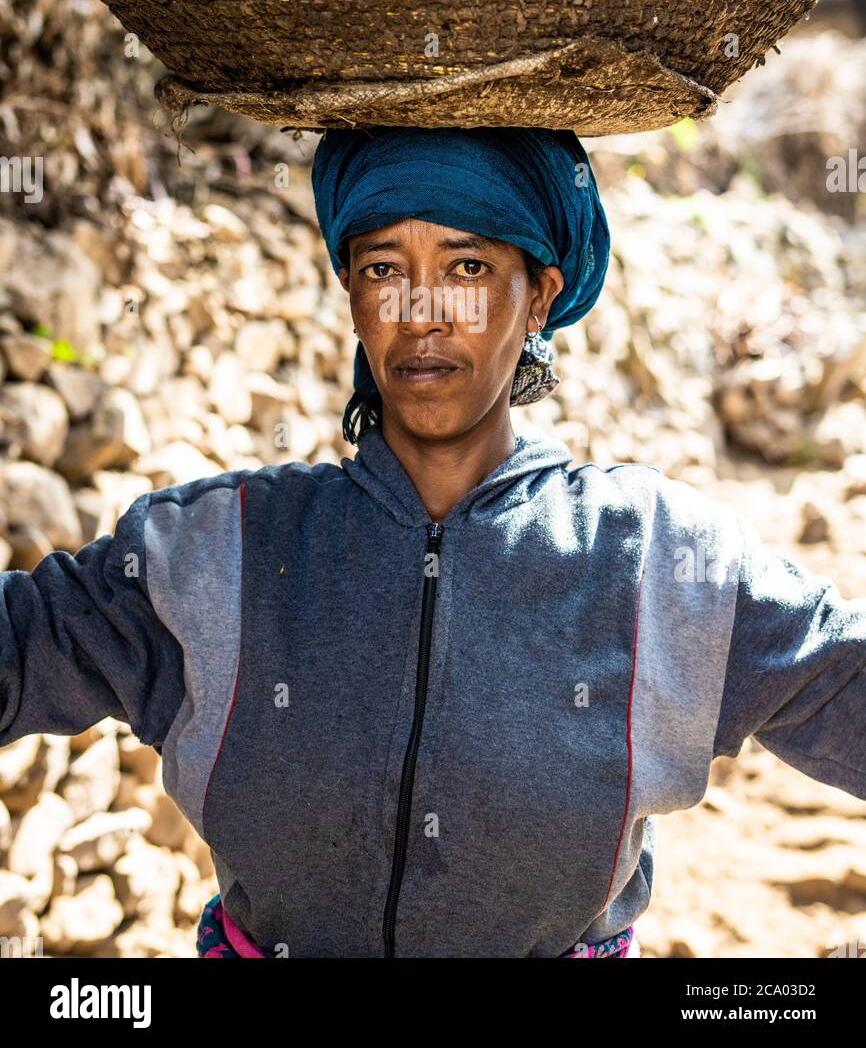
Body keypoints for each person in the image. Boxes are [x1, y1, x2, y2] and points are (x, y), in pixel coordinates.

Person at [1, 125, 864, 960]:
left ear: (541, 296)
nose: (420, 312)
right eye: (384, 268)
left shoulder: (654, 564)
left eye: (468, 267)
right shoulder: (210, 552)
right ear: (351, 295)